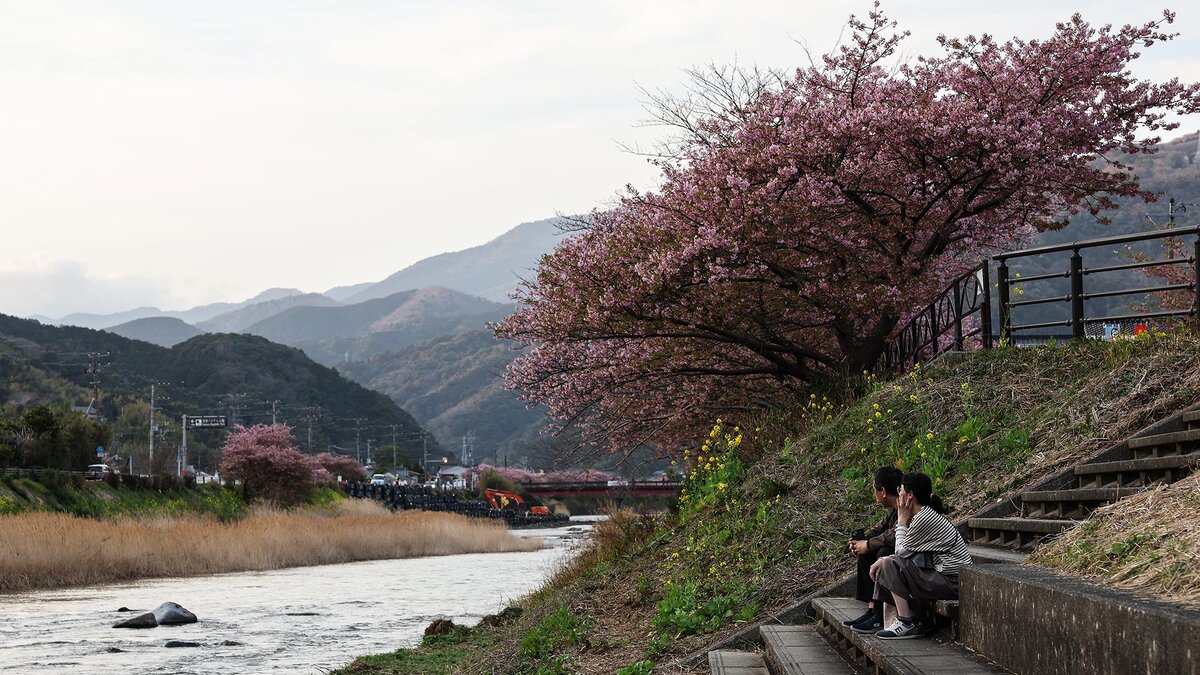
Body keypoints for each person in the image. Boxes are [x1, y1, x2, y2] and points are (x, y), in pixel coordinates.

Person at [869, 471, 972, 640]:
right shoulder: (924, 515)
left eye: (900, 489)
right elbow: (907, 553)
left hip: (953, 581)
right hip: (948, 577)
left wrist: (901, 520)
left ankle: (905, 621)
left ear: (910, 495)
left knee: (890, 563)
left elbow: (899, 553)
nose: (898, 493)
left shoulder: (924, 518)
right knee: (889, 562)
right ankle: (912, 618)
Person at [841, 467, 903, 634]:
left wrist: (868, 544)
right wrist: (861, 542)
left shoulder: (905, 507)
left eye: (874, 489)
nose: (873, 493)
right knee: (866, 554)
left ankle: (879, 614)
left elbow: (895, 534)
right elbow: (880, 529)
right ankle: (872, 610)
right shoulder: (893, 510)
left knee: (883, 553)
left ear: (883, 491)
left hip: (910, 561)